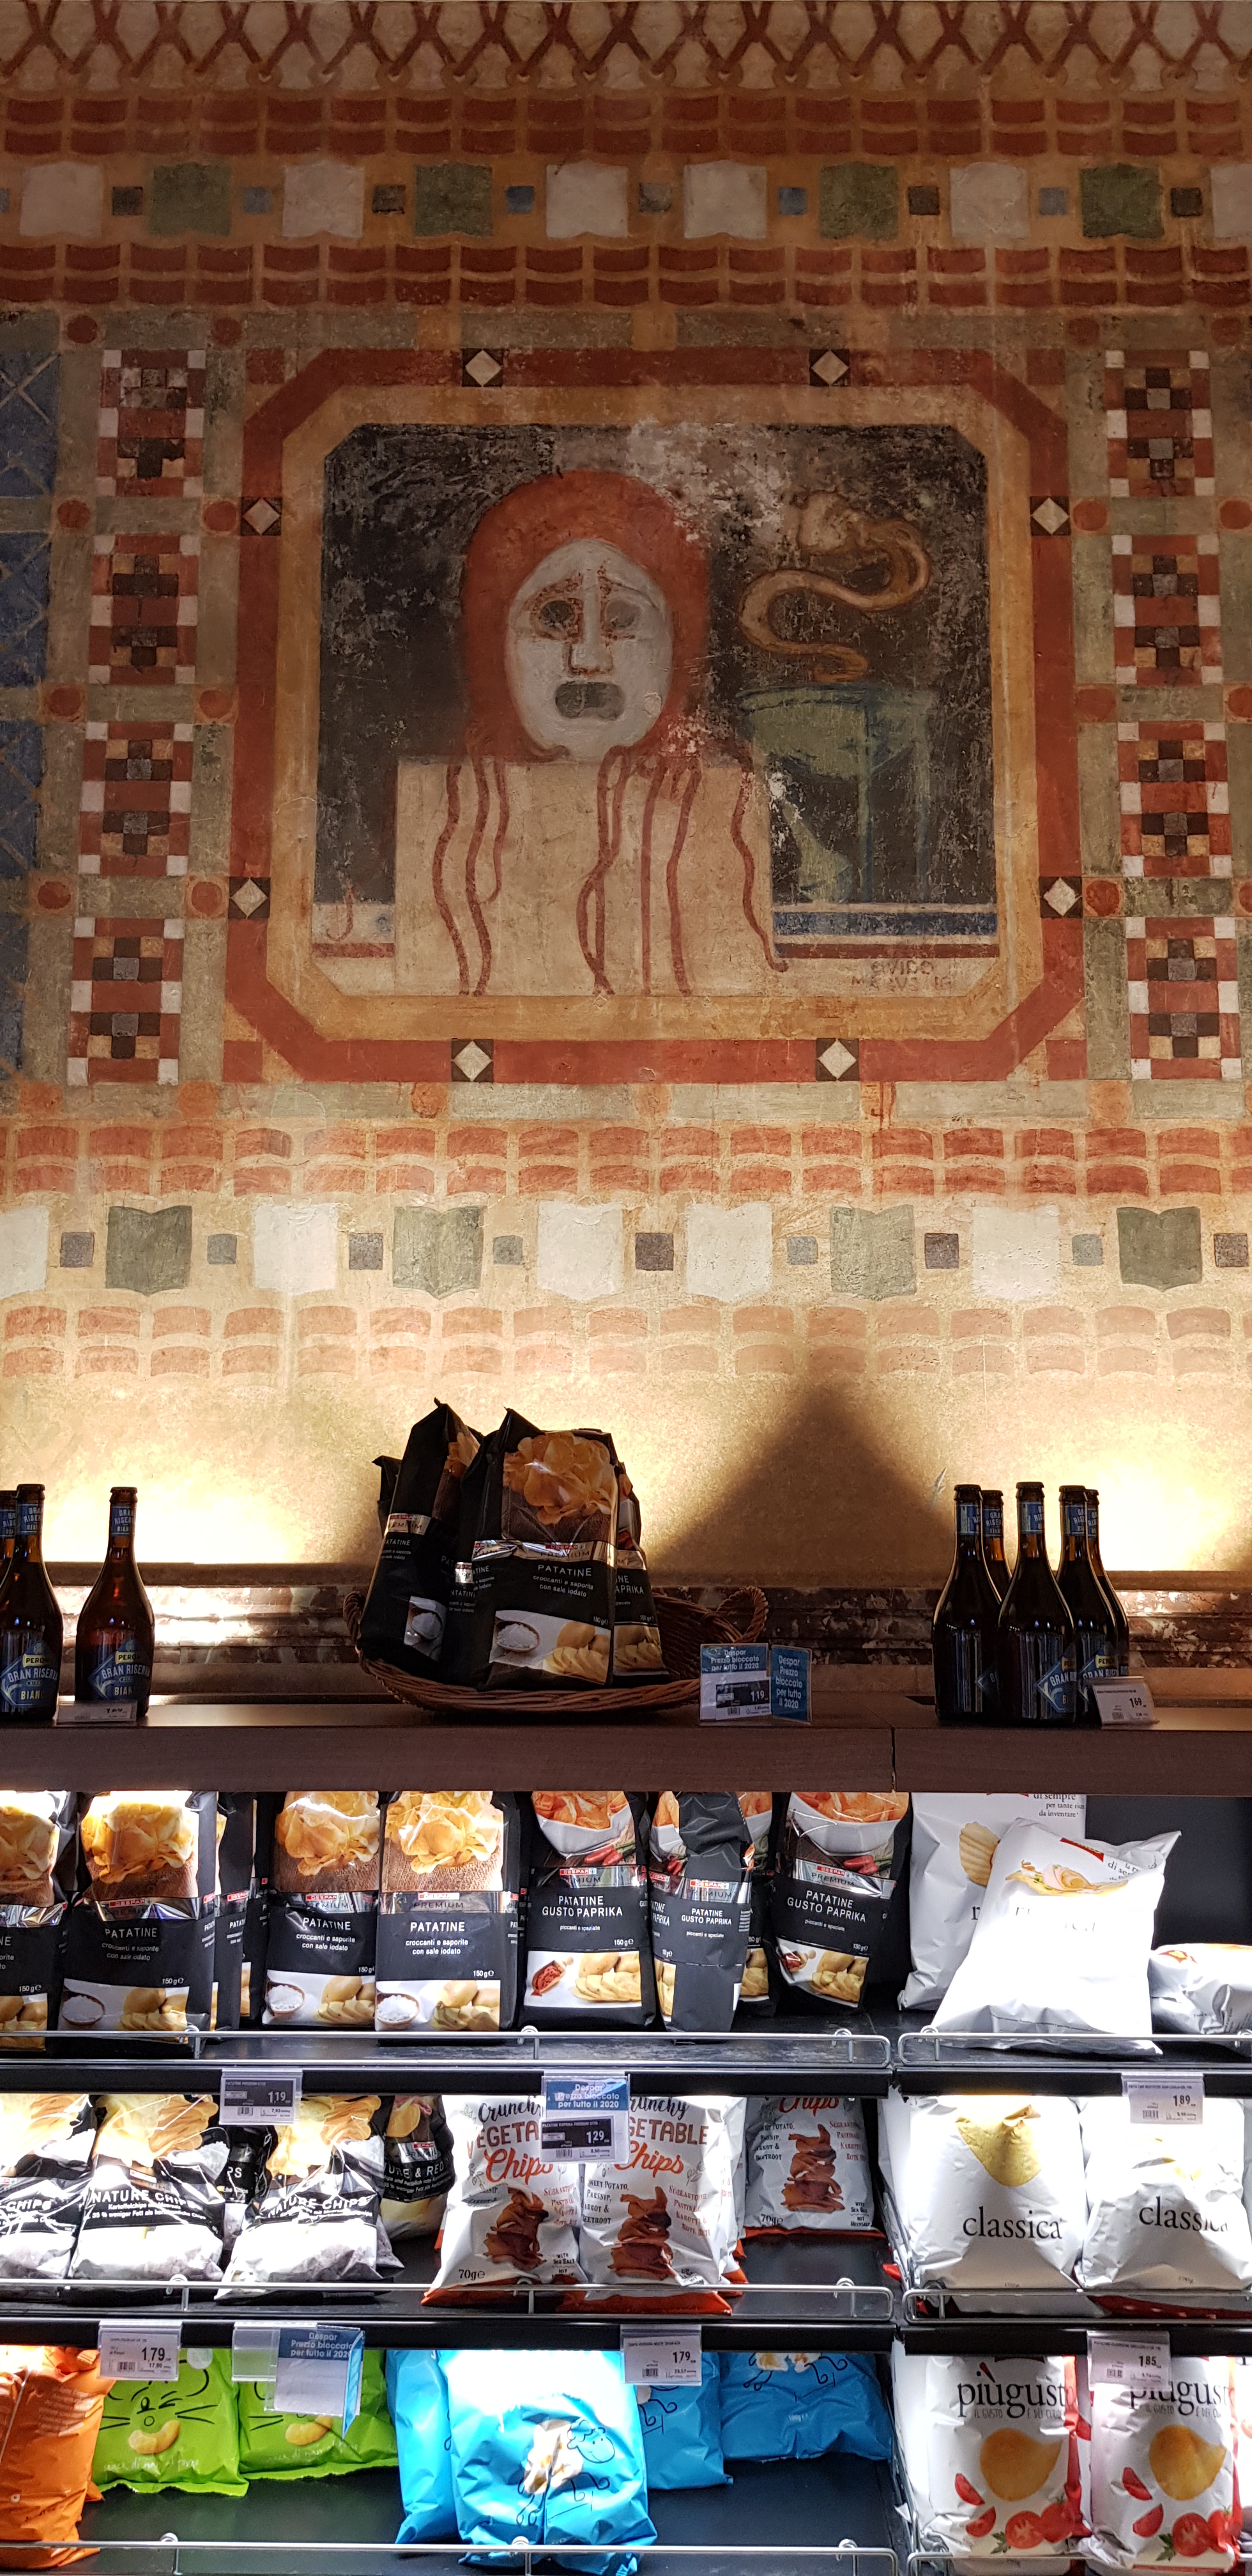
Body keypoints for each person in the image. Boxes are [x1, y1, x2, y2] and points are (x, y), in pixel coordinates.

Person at [394, 469, 783, 1001]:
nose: (589, 658)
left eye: (623, 617)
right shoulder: (448, 810)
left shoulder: (724, 805)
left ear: (678, 647)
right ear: (494, 649)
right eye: (554, 615)